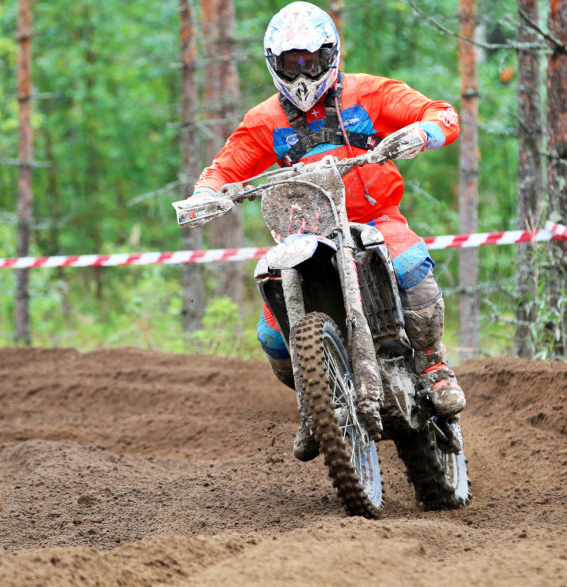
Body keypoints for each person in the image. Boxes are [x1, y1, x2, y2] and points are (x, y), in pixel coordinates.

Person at [189, 1, 465, 461]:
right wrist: (206, 195)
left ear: (330, 55)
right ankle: (318, 406)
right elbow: (223, 168)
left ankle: (433, 363)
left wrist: (425, 132)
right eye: (290, 62)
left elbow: (440, 112)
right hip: (305, 235)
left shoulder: (369, 93)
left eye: (310, 60)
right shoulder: (264, 121)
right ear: (273, 63)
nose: (301, 72)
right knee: (273, 337)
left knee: (411, 265)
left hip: (374, 218)